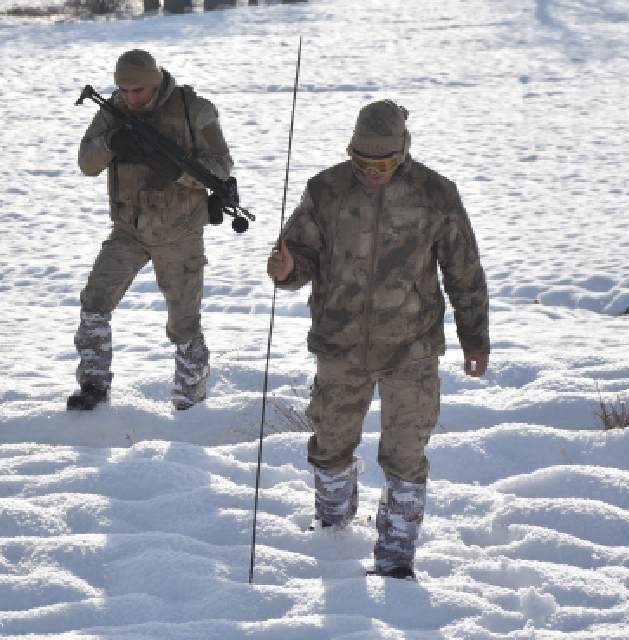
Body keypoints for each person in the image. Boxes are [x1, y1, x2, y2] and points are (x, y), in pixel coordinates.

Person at [267, 99, 489, 579]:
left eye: (383, 163)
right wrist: (286, 270)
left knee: (406, 454)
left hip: (412, 346)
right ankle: (333, 533)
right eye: (361, 161)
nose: (371, 171)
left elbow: (463, 272)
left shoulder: (435, 194)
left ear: (403, 151)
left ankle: (395, 558)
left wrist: (475, 338)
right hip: (339, 343)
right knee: (329, 444)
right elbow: (299, 254)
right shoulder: (325, 190)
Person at [71, 49, 234, 411]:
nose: (130, 97)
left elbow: (221, 166)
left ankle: (190, 400)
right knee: (94, 303)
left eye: (138, 91)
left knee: (183, 323)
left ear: (156, 82)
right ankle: (93, 387)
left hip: (180, 231)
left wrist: (177, 171)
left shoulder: (195, 109)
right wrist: (111, 144)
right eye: (123, 90)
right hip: (128, 229)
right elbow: (86, 163)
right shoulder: (112, 111)